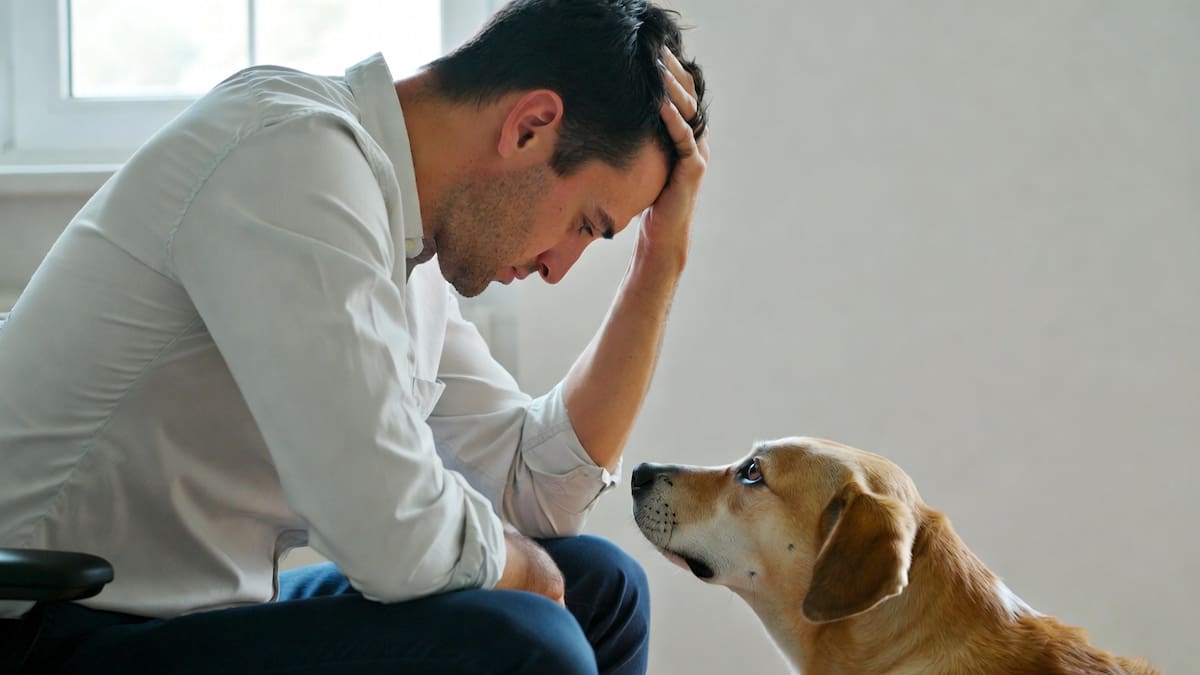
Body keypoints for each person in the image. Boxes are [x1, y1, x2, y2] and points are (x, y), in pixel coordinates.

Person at [0, 0, 708, 672]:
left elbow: (534, 490)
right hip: (57, 625)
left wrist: (659, 262)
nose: (559, 266)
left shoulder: (408, 249)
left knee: (603, 590)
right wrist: (524, 570)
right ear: (529, 127)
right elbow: (390, 533)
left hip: (196, 617)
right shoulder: (291, 157)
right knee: (530, 641)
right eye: (586, 222)